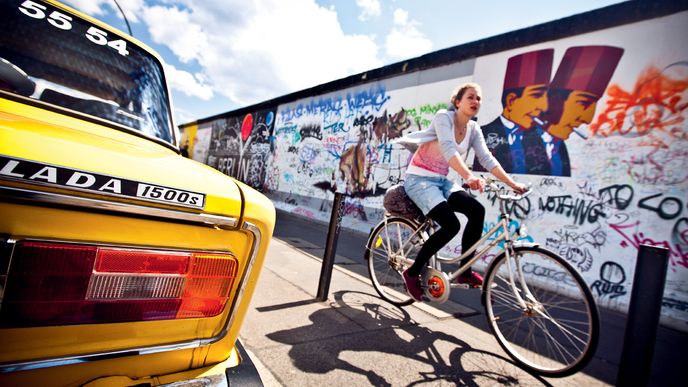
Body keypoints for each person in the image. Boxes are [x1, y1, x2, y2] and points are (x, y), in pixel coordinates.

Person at [396, 82, 527, 301]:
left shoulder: (473, 129)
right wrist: (469, 177)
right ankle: (412, 272)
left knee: (476, 210)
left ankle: (464, 272)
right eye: (470, 97)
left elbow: (486, 158)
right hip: (419, 180)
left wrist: (513, 184)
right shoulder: (443, 117)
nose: (476, 102)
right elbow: (449, 150)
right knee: (451, 225)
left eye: (479, 99)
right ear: (458, 102)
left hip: (441, 181)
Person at [536, 45, 624, 176]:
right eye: (583, 103)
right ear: (554, 99)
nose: (587, 119)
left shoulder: (559, 146)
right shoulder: (520, 140)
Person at [473, 49, 553, 175]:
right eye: (537, 95)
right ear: (511, 100)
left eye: (546, 97)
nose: (544, 106)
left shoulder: (541, 137)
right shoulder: (482, 132)